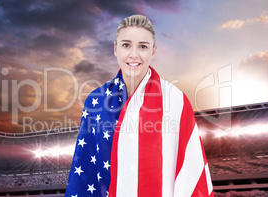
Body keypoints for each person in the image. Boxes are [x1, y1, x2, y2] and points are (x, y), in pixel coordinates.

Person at [65, 15, 214, 197]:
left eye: (143, 46)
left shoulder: (176, 101)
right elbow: (86, 171)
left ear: (153, 51)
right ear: (115, 48)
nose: (133, 54)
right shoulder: (95, 100)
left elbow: (190, 172)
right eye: (126, 45)